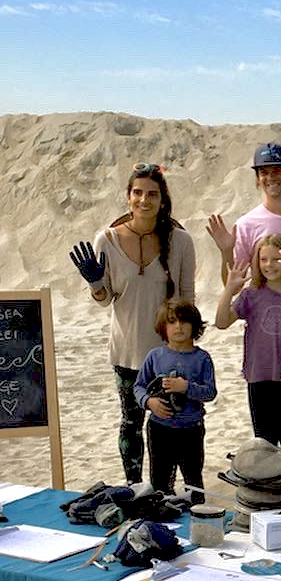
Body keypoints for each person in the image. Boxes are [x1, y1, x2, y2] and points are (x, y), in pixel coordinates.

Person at [207, 143, 281, 478]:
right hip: (266, 344)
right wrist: (226, 252)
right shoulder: (248, 224)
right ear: (258, 179)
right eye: (264, 172)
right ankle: (274, 482)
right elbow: (238, 281)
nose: (271, 177)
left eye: (278, 170)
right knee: (268, 427)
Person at [69, 163, 196, 483]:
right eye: (137, 193)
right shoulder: (107, 240)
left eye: (152, 194)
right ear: (128, 197)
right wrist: (95, 283)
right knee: (130, 423)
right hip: (126, 352)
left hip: (168, 357)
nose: (144, 200)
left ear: (162, 200)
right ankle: (134, 487)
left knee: (167, 426)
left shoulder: (180, 241)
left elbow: (188, 301)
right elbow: (104, 299)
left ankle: (162, 492)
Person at [214, 233, 281, 453]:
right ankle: (268, 486)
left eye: (275, 259)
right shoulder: (251, 295)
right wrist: (229, 290)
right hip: (259, 379)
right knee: (264, 444)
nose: (269, 265)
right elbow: (221, 323)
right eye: (263, 259)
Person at [133, 301, 216, 496]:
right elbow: (138, 387)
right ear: (163, 327)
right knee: (160, 484)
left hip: (191, 430)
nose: (178, 326)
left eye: (184, 322)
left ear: (194, 326)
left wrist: (186, 387)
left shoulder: (202, 358)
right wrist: (149, 402)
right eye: (172, 322)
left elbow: (211, 392)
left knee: (193, 481)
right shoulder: (155, 356)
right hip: (159, 429)